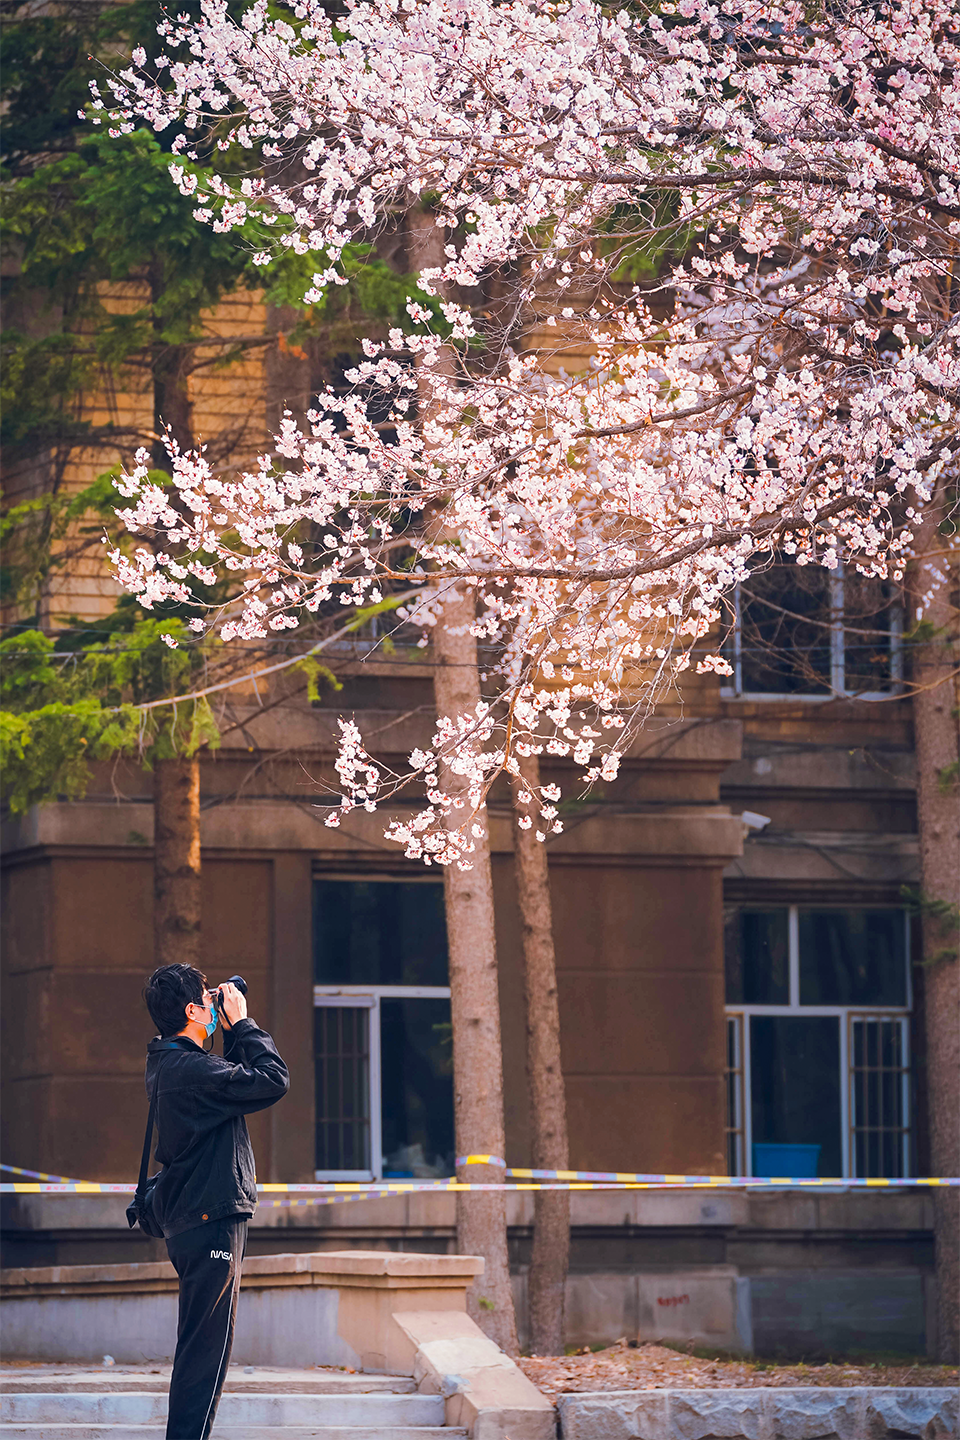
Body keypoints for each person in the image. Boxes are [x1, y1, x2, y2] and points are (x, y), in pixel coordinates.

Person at [141, 963, 289, 1440]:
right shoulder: (191, 1070)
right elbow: (271, 1079)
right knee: (205, 1353)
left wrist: (225, 1032)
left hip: (192, 1220)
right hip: (209, 1222)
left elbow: (230, 1086)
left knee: (198, 1349)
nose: (214, 1005)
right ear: (190, 1010)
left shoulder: (170, 1064)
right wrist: (242, 1024)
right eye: (207, 999)